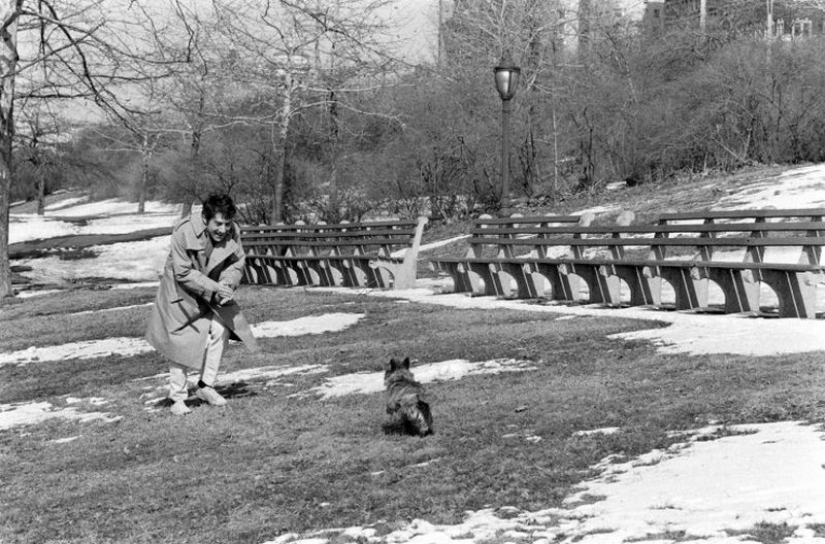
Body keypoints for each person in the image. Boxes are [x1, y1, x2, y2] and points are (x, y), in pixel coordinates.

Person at [146, 194, 259, 415]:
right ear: (206, 218)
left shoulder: (233, 230)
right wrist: (215, 287)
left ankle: (206, 386)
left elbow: (236, 263)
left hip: (213, 292)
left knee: (221, 329)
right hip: (181, 293)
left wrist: (227, 283)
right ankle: (177, 398)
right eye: (218, 223)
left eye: (227, 224)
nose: (223, 229)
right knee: (180, 343)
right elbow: (184, 272)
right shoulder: (183, 231)